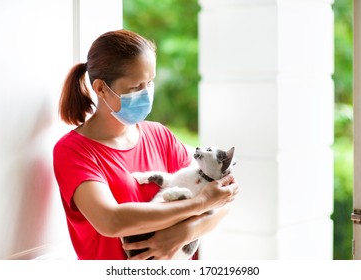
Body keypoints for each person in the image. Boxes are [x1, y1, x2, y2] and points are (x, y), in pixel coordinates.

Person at [53, 29, 239, 260]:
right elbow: (112, 220)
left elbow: (222, 202)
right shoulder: (73, 151)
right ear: (101, 88)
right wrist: (201, 202)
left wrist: (183, 234)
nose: (145, 94)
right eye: (135, 88)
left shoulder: (159, 135)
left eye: (149, 83)